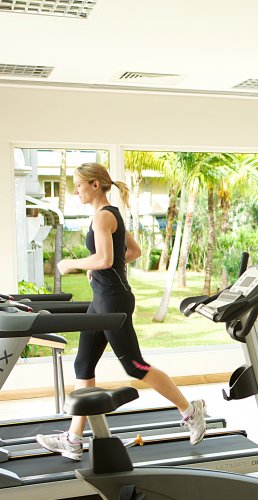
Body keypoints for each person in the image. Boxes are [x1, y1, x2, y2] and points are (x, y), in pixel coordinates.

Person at [36, 163, 206, 461]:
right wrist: (104, 267)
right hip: (102, 299)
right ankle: (73, 440)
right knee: (83, 365)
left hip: (113, 301)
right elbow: (131, 252)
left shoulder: (103, 216)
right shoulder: (110, 213)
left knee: (135, 366)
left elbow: (104, 258)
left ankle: (191, 411)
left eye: (78, 185)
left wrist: (73, 264)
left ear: (94, 185)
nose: (75, 191)